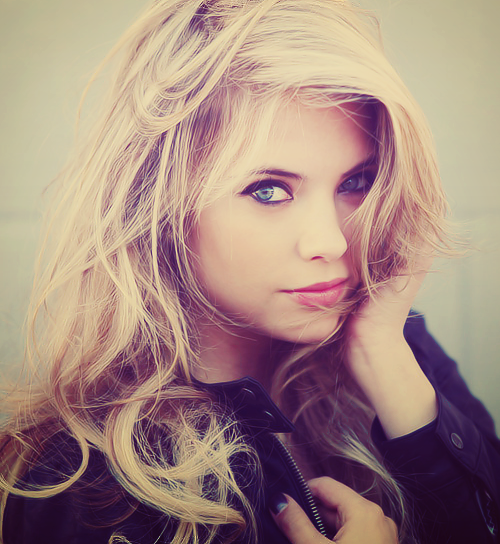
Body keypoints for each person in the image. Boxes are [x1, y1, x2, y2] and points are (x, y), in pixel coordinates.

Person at [0, 0, 499, 543]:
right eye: (268, 191)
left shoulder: (399, 346)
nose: (332, 242)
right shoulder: (80, 483)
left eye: (355, 183)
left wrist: (383, 356)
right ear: (161, 205)